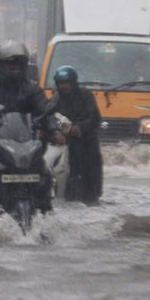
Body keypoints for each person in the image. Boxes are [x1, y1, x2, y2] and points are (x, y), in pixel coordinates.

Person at [0, 40, 65, 226]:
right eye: (10, 64)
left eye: (19, 64)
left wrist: (54, 130)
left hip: (27, 144)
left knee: (46, 174)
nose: (15, 68)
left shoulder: (33, 90)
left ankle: (46, 212)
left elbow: (45, 112)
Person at [52, 65, 103, 205]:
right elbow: (48, 118)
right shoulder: (56, 99)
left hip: (87, 146)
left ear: (73, 82)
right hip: (68, 148)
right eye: (61, 84)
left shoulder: (86, 96)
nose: (64, 87)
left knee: (90, 186)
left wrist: (79, 128)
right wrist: (55, 133)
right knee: (69, 184)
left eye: (67, 83)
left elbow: (95, 118)